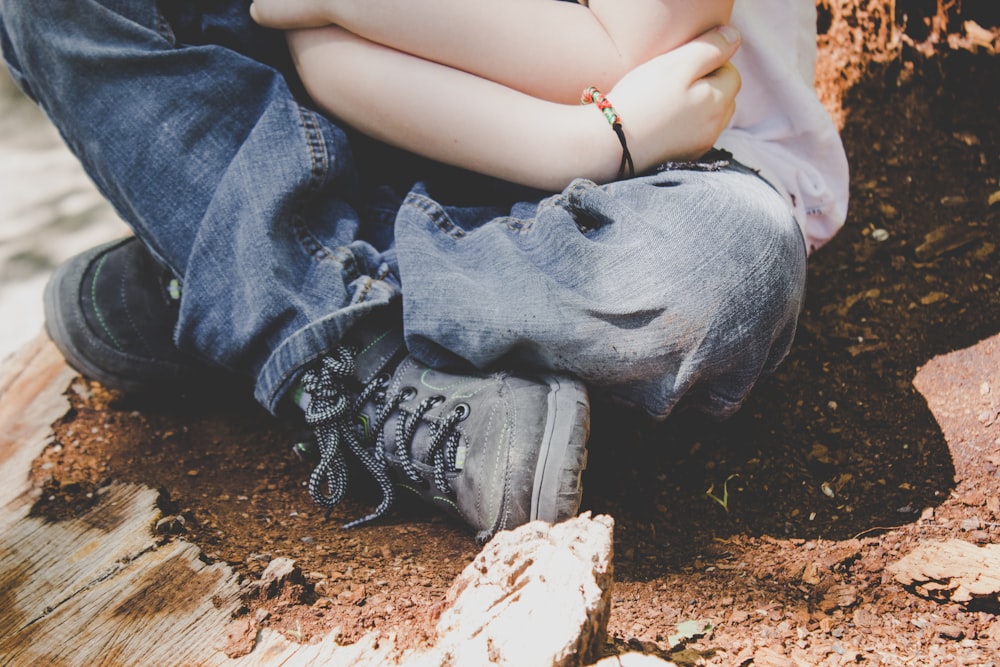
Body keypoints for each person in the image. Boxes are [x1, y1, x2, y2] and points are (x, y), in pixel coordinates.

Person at [0, 0, 848, 542]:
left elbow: (649, 43)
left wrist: (597, 144)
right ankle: (340, 354)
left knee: (733, 256)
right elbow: (320, 55)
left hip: (652, 182)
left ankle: (252, 271)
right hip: (421, 142)